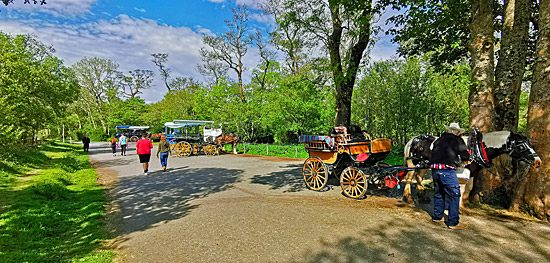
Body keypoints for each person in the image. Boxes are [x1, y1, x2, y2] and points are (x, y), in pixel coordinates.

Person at [430, 122, 470, 230]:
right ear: (457, 132)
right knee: (454, 194)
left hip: (435, 170)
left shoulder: (438, 140)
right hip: (447, 170)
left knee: (439, 193)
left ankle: (438, 217)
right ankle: (453, 222)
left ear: (447, 130)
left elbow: (432, 153)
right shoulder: (457, 140)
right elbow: (465, 155)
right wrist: (465, 160)